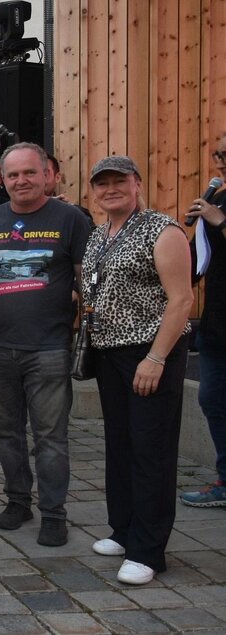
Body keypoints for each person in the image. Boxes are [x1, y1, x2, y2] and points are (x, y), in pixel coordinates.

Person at [0, 142, 92, 547]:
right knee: (8, 433)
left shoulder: (70, 219)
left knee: (51, 437)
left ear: (46, 175)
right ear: (3, 179)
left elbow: (86, 279)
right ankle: (18, 501)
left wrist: (82, 328)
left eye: (29, 173)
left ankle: (54, 513)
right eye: (12, 174)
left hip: (49, 349)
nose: (21, 181)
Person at [80, 156, 193, 584]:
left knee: (152, 449)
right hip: (110, 354)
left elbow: (181, 301)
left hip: (150, 352)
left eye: (119, 181)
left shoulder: (161, 230)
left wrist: (157, 358)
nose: (110, 189)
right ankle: (124, 530)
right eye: (102, 183)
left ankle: (149, 549)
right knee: (120, 444)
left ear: (137, 183)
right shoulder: (100, 234)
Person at [181, 135, 226, 508]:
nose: (220, 161)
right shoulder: (218, 198)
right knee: (212, 398)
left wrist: (219, 220)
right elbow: (198, 265)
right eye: (218, 154)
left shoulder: (219, 210)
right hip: (217, 324)